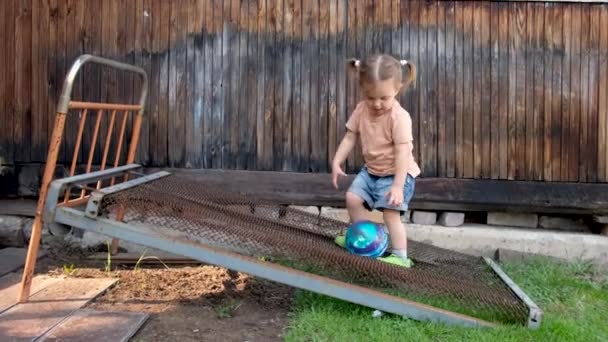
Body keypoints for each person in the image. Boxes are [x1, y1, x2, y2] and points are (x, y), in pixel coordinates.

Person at [331, 54, 420, 268]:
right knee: (352, 198)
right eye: (371, 97)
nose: (377, 104)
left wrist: (398, 186)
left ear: (397, 89)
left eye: (384, 98)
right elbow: (350, 136)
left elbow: (402, 154)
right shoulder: (362, 109)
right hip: (372, 171)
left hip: (398, 174)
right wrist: (336, 162)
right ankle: (360, 237)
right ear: (363, 91)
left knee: (390, 213)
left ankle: (400, 256)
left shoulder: (399, 118)